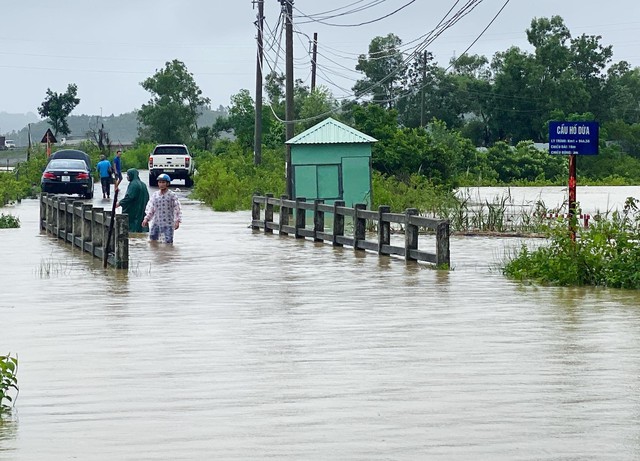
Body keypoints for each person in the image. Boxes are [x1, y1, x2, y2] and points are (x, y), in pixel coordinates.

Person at [142, 174, 182, 244]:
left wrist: (177, 221)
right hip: (156, 222)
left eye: (163, 182)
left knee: (168, 243)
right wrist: (146, 219)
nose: (161, 184)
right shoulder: (155, 195)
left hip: (168, 223)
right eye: (160, 182)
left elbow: (177, 208)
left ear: (167, 183)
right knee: (152, 241)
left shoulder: (172, 195)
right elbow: (151, 208)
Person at [116, 169, 150, 233]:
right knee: (142, 226)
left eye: (128, 175)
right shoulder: (143, 184)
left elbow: (129, 197)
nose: (127, 177)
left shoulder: (133, 185)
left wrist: (120, 203)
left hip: (133, 210)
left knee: (133, 227)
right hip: (142, 208)